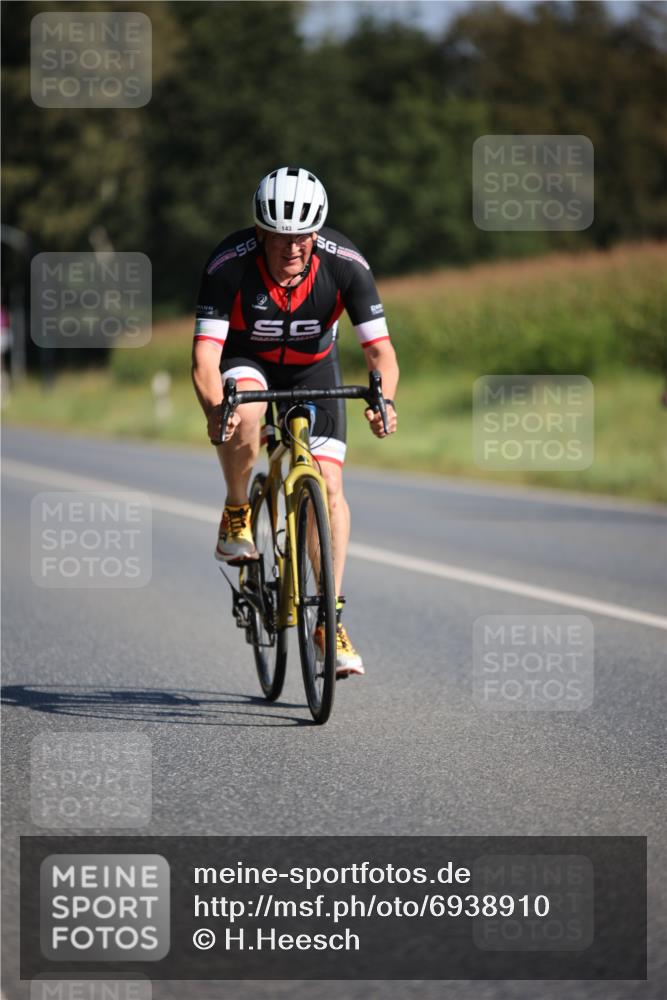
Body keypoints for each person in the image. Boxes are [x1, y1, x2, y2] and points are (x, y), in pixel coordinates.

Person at [192, 167, 399, 677]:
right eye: (280, 237)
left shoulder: (345, 263)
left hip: (314, 367)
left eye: (303, 237)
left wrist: (385, 399)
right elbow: (203, 359)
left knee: (329, 486)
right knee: (248, 405)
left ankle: (330, 620)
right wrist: (220, 413)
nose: (292, 248)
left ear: (318, 232)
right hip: (248, 360)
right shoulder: (228, 265)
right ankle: (238, 510)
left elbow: (380, 352)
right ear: (260, 233)